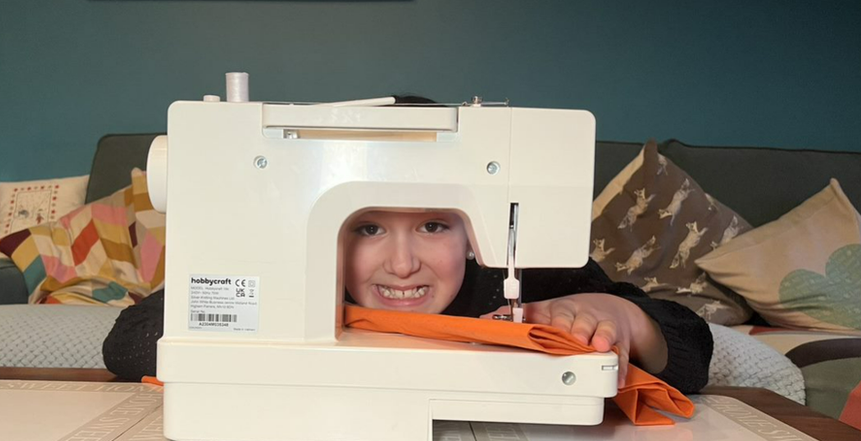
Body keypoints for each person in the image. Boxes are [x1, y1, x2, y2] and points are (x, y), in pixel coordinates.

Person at [103, 97, 712, 391]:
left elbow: (692, 347)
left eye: (432, 225)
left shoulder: (519, 276)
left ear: (473, 230)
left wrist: (623, 317)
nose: (401, 264)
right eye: (367, 228)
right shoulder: (292, 272)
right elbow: (129, 341)